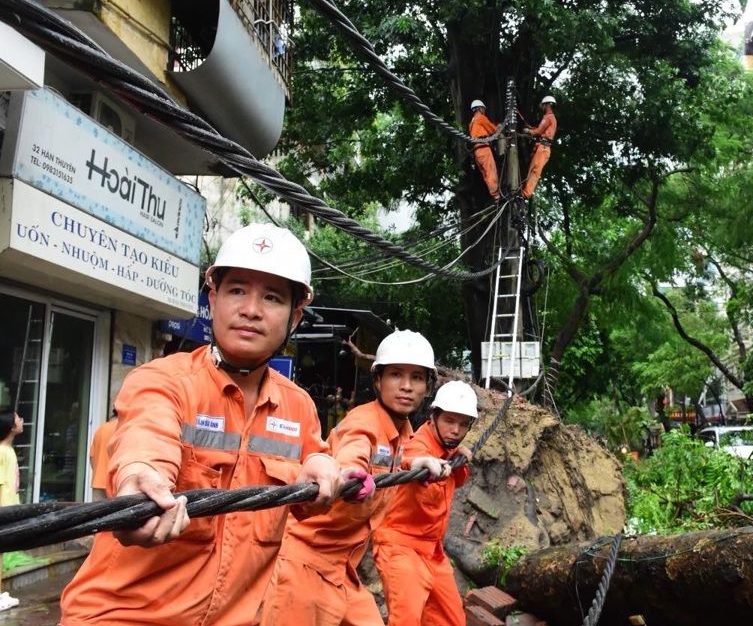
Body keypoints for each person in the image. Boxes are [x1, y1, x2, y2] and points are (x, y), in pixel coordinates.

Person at [60, 224, 362, 626]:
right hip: (122, 617)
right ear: (214, 298)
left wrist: (323, 472)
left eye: (272, 297)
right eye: (237, 290)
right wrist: (139, 478)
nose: (251, 309)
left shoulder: (299, 407)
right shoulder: (163, 380)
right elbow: (146, 436)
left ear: (295, 316)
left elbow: (308, 497)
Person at [260, 330, 449, 626]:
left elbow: (388, 463)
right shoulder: (364, 422)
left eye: (417, 378)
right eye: (396, 375)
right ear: (377, 380)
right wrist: (348, 474)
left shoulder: (403, 432)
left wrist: (416, 462)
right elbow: (354, 453)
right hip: (303, 563)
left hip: (343, 568)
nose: (406, 386)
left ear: (427, 387)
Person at [373, 380, 477, 626]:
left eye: (463, 424)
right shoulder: (418, 444)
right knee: (406, 620)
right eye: (449, 421)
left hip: (433, 551)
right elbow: (408, 457)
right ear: (434, 417)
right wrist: (421, 463)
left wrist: (455, 455)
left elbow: (457, 481)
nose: (455, 430)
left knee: (452, 620)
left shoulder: (448, 448)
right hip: (401, 547)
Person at [0, 408, 23, 612]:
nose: (22, 420)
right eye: (18, 418)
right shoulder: (1, 451)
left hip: (9, 507)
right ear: (11, 426)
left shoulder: (8, 449)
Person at [521, 95, 558, 200]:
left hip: (543, 148)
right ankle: (525, 191)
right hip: (544, 148)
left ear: (547, 105)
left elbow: (539, 131)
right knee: (532, 170)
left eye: (543, 106)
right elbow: (541, 129)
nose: (542, 108)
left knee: (534, 171)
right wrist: (531, 128)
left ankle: (526, 193)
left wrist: (529, 131)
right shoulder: (552, 118)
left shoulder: (547, 117)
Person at [469, 99, 501, 200]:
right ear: (480, 109)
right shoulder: (481, 118)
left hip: (477, 151)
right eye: (483, 109)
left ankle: (494, 195)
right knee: (491, 171)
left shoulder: (472, 122)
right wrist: (499, 127)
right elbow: (492, 130)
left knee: (486, 174)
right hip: (483, 148)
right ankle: (496, 195)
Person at [88, 410, 118, 500]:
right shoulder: (124, 428)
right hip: (116, 483)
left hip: (98, 482)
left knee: (98, 512)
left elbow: (92, 457)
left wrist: (98, 473)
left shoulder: (101, 429)